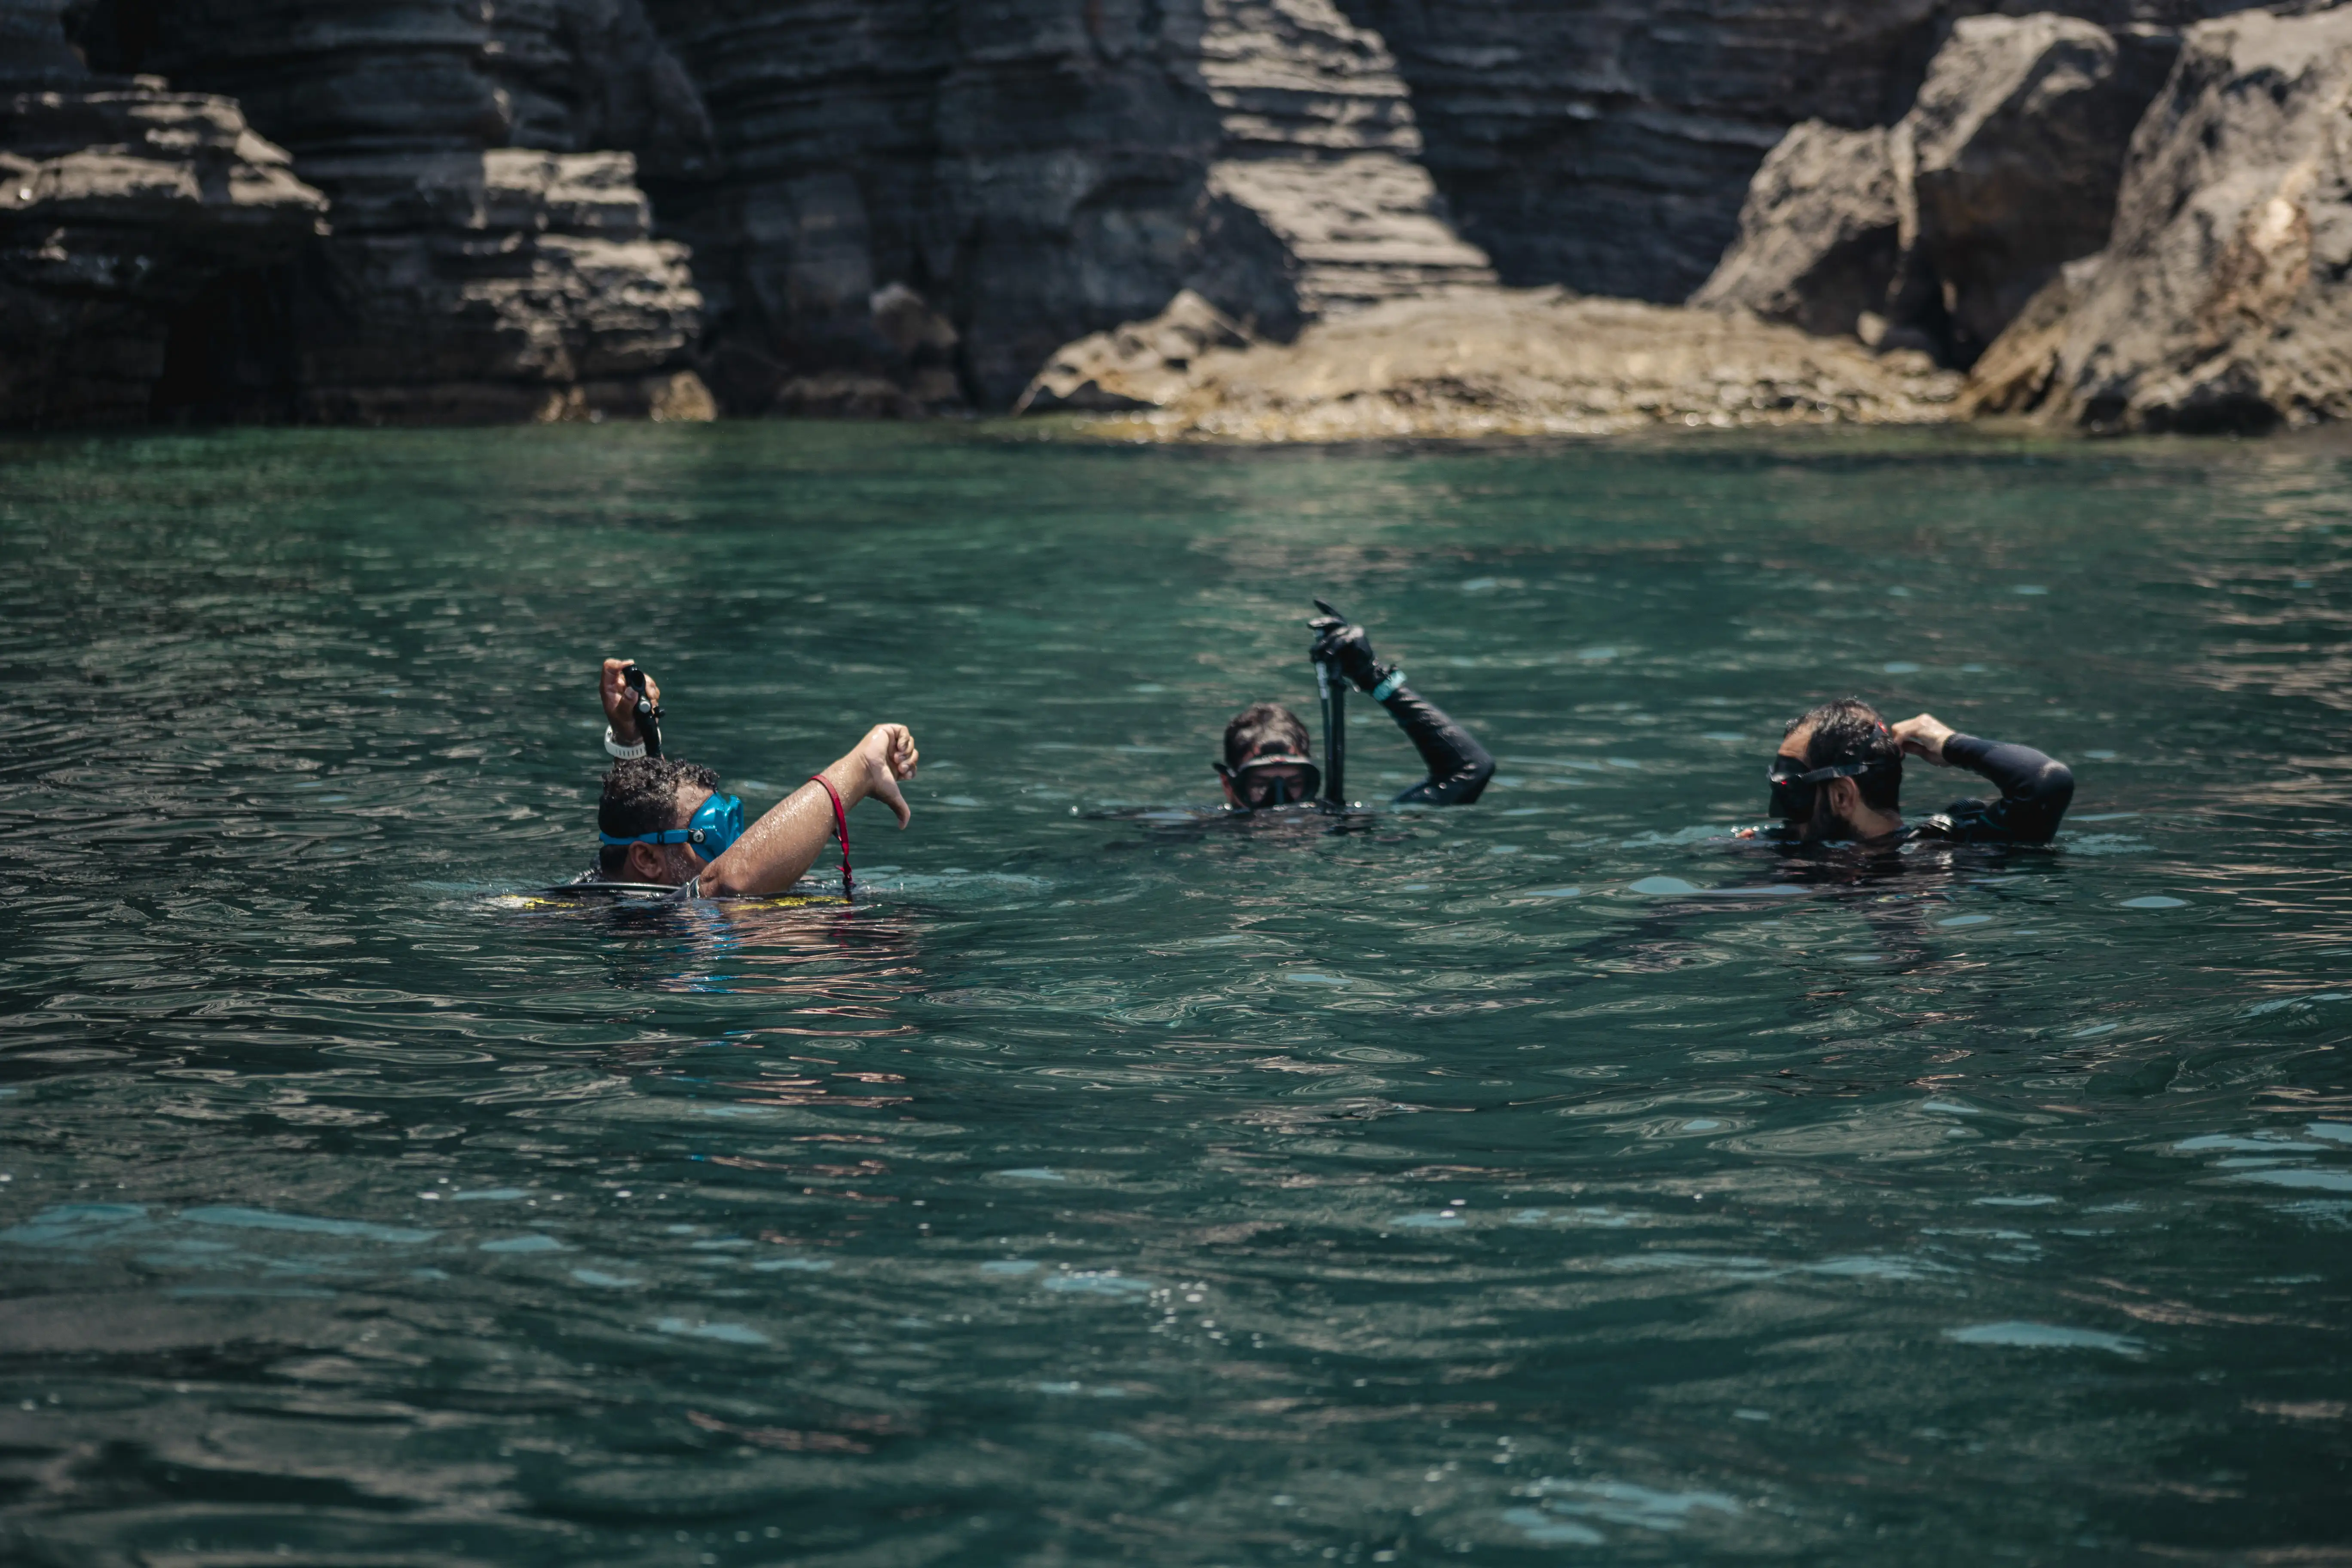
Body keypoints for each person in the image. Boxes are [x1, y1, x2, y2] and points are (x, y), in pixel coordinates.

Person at [586, 658, 919, 896]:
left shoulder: (651, 870)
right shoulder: (654, 917)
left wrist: (633, 744)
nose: (738, 846)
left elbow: (643, 818)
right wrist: (861, 769)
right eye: (715, 832)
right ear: (645, 859)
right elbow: (729, 882)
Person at [1214, 612, 1493, 809]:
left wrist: (1372, 675)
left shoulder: (1342, 825)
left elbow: (1472, 770)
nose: (1280, 800)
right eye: (1260, 785)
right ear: (1229, 784)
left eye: (1296, 782)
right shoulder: (1201, 830)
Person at [1755, 696, 2073, 846]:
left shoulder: (1960, 851)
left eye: (1791, 793)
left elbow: (2046, 782)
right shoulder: (1777, 852)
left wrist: (1952, 744)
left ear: (1842, 795)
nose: (1780, 817)